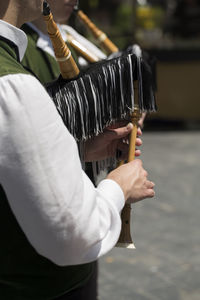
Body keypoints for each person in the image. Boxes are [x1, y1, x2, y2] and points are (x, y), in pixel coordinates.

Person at [0, 1, 155, 300]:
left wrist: (77, 148)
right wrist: (119, 187)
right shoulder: (13, 85)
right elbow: (72, 237)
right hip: (40, 286)